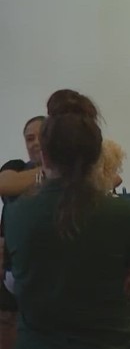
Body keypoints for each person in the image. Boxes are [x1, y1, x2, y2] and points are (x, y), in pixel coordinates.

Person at [4, 91, 130, 348]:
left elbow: (15, 282)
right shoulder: (120, 212)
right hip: (110, 339)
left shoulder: (19, 212)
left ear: (45, 156)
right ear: (97, 155)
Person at [0, 116, 44, 348]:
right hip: (12, 269)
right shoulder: (16, 166)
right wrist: (50, 172)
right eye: (30, 138)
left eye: (42, 136)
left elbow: (112, 178)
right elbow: (4, 183)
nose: (35, 142)